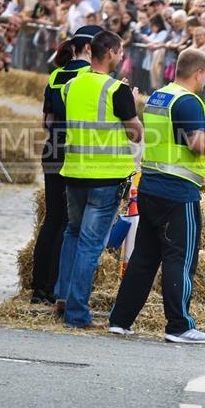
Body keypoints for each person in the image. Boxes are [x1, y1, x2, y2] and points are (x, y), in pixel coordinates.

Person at [109, 49, 205, 343]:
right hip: (178, 191)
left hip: (149, 184)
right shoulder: (188, 102)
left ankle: (120, 320)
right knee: (180, 258)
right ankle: (179, 325)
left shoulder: (160, 96)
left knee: (144, 259)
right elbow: (197, 144)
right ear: (199, 72)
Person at [54, 30, 143, 329]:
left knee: (73, 234)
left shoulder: (71, 86)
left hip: (74, 172)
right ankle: (77, 314)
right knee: (91, 245)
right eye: (120, 53)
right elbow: (135, 133)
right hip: (105, 177)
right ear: (113, 52)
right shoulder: (116, 90)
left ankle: (63, 297)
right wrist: (132, 102)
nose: (122, 57)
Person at [30, 26, 102, 305]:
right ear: (90, 49)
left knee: (52, 219)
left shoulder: (56, 74)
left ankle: (39, 288)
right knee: (71, 224)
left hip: (52, 149)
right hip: (76, 153)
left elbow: (46, 121)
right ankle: (57, 286)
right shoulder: (91, 77)